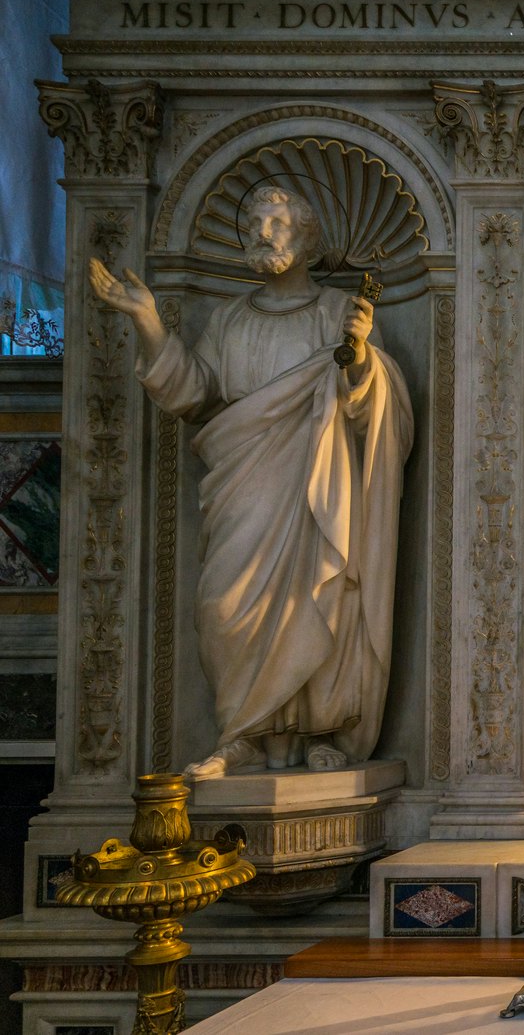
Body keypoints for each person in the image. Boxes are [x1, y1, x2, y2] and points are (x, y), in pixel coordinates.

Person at [88, 185, 413, 779]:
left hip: (316, 482)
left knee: (316, 594)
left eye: (276, 223)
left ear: (307, 238)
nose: (262, 232)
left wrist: (363, 355)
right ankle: (242, 735)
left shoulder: (338, 313)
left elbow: (373, 409)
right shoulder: (229, 318)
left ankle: (320, 731)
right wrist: (148, 321)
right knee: (223, 604)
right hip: (243, 480)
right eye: (254, 222)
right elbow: (193, 394)